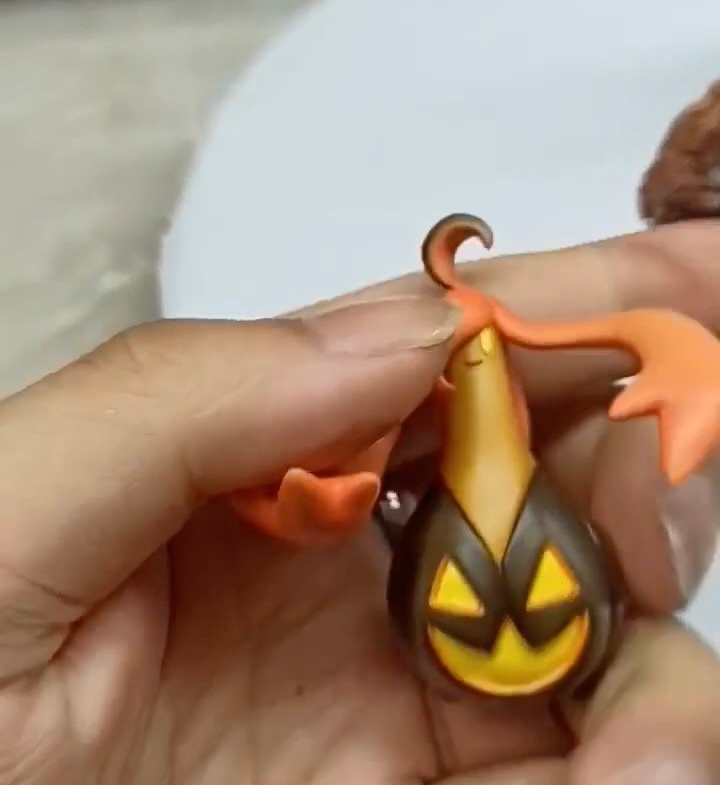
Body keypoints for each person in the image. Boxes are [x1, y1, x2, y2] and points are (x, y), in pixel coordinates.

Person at [1, 221, 720, 785]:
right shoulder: (408, 377)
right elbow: (375, 435)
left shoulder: (489, 352)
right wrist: (326, 492)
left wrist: (681, 358)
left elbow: (617, 336)